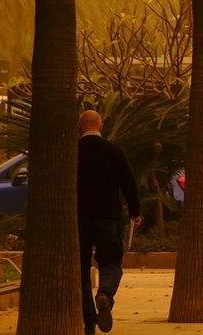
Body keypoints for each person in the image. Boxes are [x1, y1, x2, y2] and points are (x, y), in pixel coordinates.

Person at [78, 110, 141, 334]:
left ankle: (89, 323)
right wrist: (135, 211)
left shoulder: (73, 151)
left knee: (82, 270)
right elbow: (129, 182)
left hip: (79, 219)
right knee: (112, 263)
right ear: (100, 126)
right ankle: (104, 294)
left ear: (80, 127)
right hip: (108, 217)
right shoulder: (113, 150)